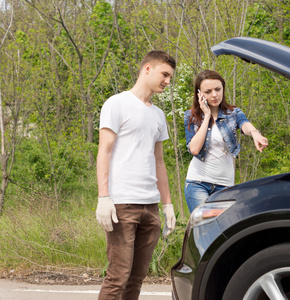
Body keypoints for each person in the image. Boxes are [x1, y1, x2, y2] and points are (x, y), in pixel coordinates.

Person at [95, 50, 177, 300]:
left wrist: (167, 204)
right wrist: (103, 197)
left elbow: (159, 161)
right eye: (164, 74)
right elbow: (104, 152)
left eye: (170, 77)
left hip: (150, 207)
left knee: (137, 278)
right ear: (147, 69)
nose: (167, 81)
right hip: (122, 205)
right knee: (118, 276)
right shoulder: (117, 103)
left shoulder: (158, 115)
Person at [184, 69, 268, 213]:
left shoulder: (233, 113)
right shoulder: (191, 117)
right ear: (200, 94)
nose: (214, 94)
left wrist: (255, 133)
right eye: (208, 91)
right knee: (204, 230)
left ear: (223, 88)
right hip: (198, 183)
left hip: (225, 187)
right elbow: (195, 149)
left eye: (218, 89)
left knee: (223, 231)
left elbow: (245, 124)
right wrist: (207, 116)